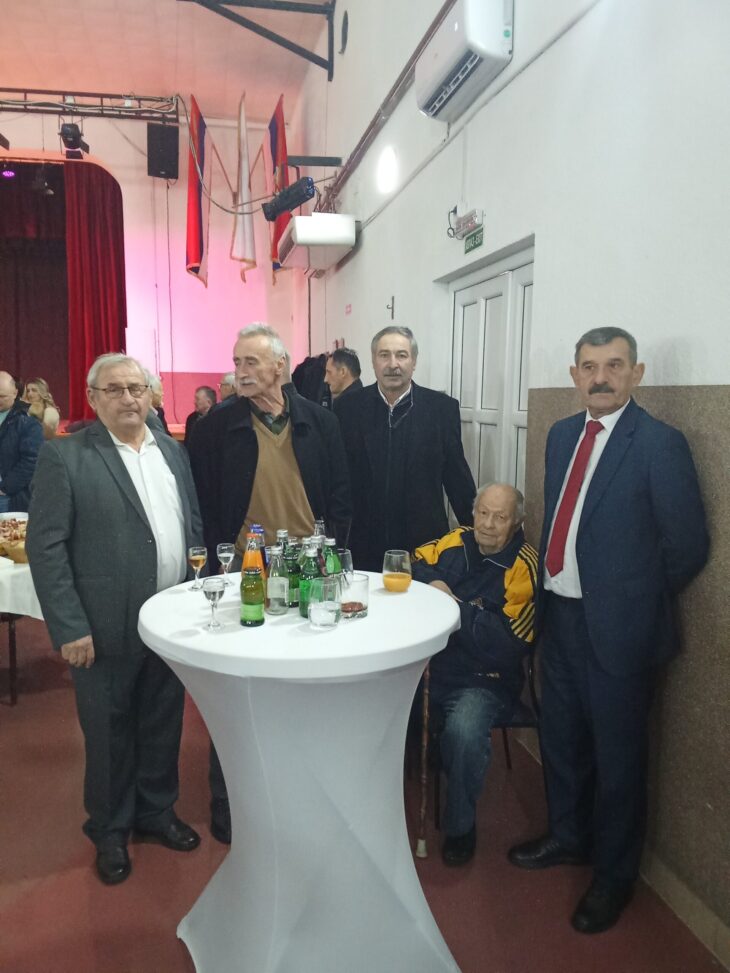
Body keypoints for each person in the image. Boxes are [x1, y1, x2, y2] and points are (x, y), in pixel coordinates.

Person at [508, 327, 709, 934]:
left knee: (619, 758)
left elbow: (688, 546)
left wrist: (630, 599)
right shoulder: (561, 434)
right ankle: (569, 836)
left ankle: (615, 877)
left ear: (636, 373)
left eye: (614, 365)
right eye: (590, 366)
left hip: (621, 630)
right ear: (574, 375)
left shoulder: (660, 444)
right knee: (562, 740)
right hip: (561, 619)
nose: (601, 377)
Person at [26, 353, 204, 886]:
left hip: (170, 622)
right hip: (102, 626)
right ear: (93, 398)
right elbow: (45, 546)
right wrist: (69, 626)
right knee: (108, 732)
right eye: (116, 389)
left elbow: (190, 524)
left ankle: (157, 812)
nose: (129, 398)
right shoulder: (67, 457)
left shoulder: (172, 452)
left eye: (137, 388)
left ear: (150, 395)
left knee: (162, 721)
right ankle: (109, 829)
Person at [189, 323, 352, 843]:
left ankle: (301, 793)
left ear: (280, 366)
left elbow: (341, 495)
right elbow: (203, 501)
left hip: (308, 572)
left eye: (252, 362)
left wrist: (333, 558)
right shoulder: (215, 428)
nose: (240, 371)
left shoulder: (321, 423)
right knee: (236, 692)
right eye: (237, 361)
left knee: (307, 689)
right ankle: (228, 800)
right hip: (246, 572)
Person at [412, 483, 537, 866]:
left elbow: (508, 644)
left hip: (485, 679)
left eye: (500, 517)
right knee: (376, 694)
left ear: (516, 523)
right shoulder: (457, 540)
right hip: (432, 666)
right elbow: (413, 560)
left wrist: (453, 611)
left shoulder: (525, 565)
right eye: (483, 513)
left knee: (464, 733)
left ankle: (460, 826)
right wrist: (433, 582)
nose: (488, 524)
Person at [335, 325, 476, 571]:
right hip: (363, 543)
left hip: (425, 545)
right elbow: (337, 479)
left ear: (414, 361)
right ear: (373, 361)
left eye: (401, 355)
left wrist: (476, 536)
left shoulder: (441, 409)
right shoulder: (348, 408)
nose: (393, 364)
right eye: (384, 355)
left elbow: (457, 478)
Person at [0, 371, 44, 512]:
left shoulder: (28, 422)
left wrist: (5, 488)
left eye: (2, 396)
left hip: (8, 496)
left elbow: (32, 461)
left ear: (15, 393)